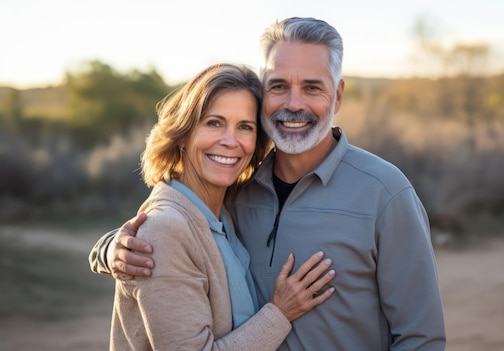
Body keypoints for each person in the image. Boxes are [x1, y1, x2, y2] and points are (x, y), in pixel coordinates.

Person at [90, 17, 446, 350]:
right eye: (278, 86)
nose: (293, 104)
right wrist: (111, 250)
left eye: (312, 88)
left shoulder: (385, 192)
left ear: (337, 95)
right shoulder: (236, 191)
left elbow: (420, 337)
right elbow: (168, 229)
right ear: (263, 95)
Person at [103, 63, 336, 350]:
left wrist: (105, 248)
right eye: (214, 123)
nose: (230, 141)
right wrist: (280, 313)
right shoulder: (166, 228)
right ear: (183, 136)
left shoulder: (223, 212)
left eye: (245, 127)